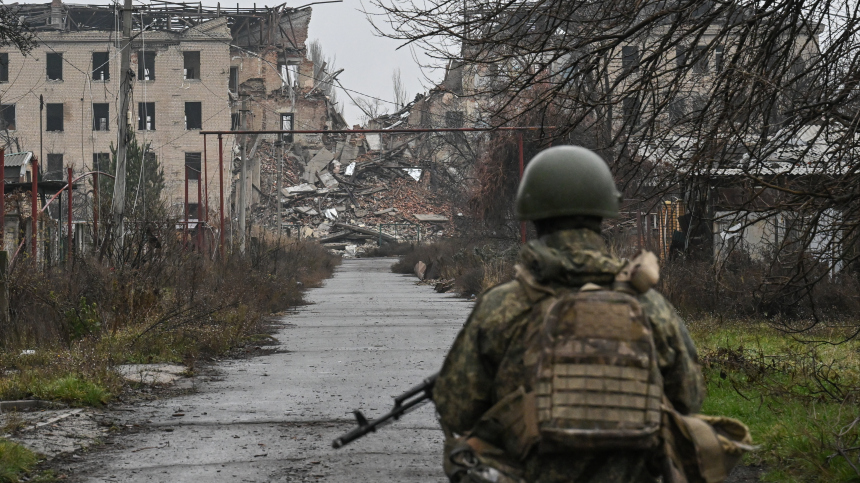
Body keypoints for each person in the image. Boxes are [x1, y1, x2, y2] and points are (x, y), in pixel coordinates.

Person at [433, 145, 706, 483]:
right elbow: (690, 399)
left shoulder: (502, 306)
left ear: (532, 215)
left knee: (464, 453)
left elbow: (456, 409)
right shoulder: (650, 306)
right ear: (604, 212)